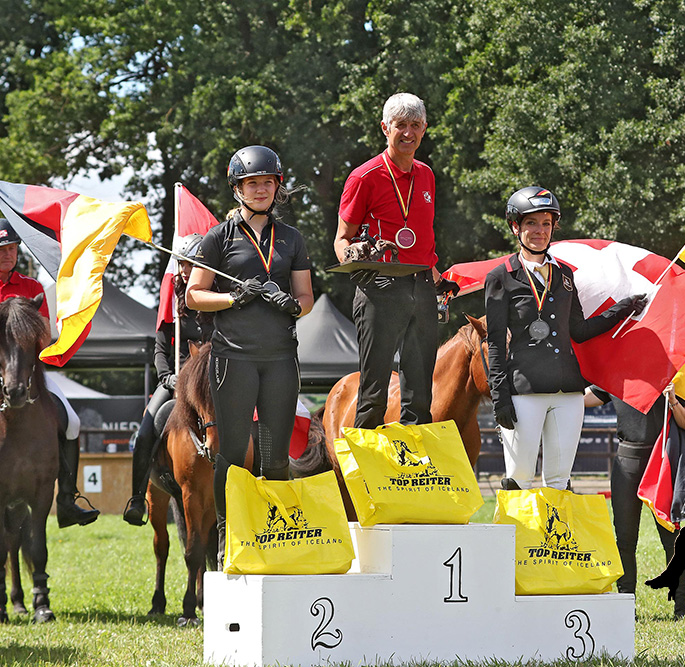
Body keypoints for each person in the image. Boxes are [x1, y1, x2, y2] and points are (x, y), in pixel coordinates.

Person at [186, 145, 314, 559]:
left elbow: (306, 297)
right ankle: (228, 540)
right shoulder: (218, 237)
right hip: (232, 359)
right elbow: (194, 296)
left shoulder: (292, 238)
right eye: (252, 183)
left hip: (279, 359)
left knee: (276, 458)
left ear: (278, 187)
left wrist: (292, 305)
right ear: (238, 188)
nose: (261, 190)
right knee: (232, 452)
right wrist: (233, 298)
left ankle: (278, 540)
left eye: (267, 183)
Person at [484, 186, 647, 491]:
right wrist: (499, 396)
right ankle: (515, 540)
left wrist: (623, 308)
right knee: (519, 478)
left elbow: (580, 331)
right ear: (515, 226)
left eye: (546, 224)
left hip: (569, 392)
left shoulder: (565, 276)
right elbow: (494, 342)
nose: (540, 231)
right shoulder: (500, 277)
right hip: (523, 391)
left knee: (559, 481)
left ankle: (552, 541)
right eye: (531, 223)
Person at [0, 218, 98, 528]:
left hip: (26, 374)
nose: (9, 254)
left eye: (12, 248)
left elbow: (44, 334)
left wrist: (19, 357)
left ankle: (67, 498)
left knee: (72, 421)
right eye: (1, 250)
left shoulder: (32, 288)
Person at [333, 92, 456, 430]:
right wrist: (354, 257)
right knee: (374, 391)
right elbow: (341, 239)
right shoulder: (364, 177)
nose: (408, 133)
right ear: (384, 128)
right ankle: (362, 476)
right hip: (380, 286)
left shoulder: (427, 175)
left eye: (415, 125)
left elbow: (422, 243)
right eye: (400, 125)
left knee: (420, 393)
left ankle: (411, 475)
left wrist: (439, 278)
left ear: (425, 129)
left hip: (421, 287)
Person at [584, 356, 685, 618]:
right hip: (627, 461)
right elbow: (580, 399)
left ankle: (682, 608)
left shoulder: (672, 371)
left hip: (661, 460)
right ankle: (626, 606)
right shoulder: (616, 373)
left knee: (673, 538)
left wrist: (672, 400)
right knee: (625, 539)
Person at [122, 234, 212, 525]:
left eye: (191, 264)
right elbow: (161, 349)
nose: (185, 271)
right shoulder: (171, 300)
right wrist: (166, 377)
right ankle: (137, 498)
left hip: (210, 382)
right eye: (182, 264)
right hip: (175, 380)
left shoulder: (214, 297)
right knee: (145, 431)